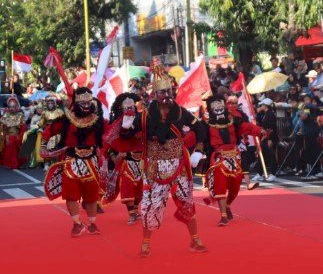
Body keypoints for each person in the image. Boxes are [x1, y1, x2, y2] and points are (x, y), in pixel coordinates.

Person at [118, 65, 207, 257]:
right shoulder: (144, 116)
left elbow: (200, 129)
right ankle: (145, 243)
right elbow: (127, 134)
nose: (166, 95)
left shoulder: (181, 113)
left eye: (168, 91)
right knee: (151, 205)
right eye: (162, 92)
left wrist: (198, 151)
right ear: (154, 94)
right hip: (154, 167)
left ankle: (195, 238)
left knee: (186, 202)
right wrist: (125, 126)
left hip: (179, 165)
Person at [41, 87, 105, 237]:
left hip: (91, 162)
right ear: (76, 103)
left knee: (92, 196)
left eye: (89, 102)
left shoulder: (98, 120)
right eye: (83, 102)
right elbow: (48, 132)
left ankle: (92, 223)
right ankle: (76, 224)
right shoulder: (66, 120)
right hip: (71, 162)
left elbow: (111, 132)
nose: (87, 105)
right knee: (71, 195)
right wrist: (44, 147)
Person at [203, 94, 265, 226]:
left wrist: (260, 130)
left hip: (234, 156)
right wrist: (197, 151)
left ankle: (228, 205)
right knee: (220, 186)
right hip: (219, 158)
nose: (218, 108)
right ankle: (223, 216)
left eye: (220, 105)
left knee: (235, 187)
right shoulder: (206, 123)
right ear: (210, 109)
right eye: (215, 106)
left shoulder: (233, 121)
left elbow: (247, 127)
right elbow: (198, 137)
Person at [106, 92, 143, 225]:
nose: (129, 109)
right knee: (127, 187)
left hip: (143, 159)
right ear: (121, 108)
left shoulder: (142, 119)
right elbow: (108, 141)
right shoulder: (117, 122)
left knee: (141, 189)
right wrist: (113, 155)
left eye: (132, 106)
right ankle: (132, 213)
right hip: (127, 160)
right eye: (126, 107)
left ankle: (136, 210)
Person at [252, 98, 278, 182]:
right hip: (265, 137)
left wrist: (270, 139)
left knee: (271, 156)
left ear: (266, 106)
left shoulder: (271, 114)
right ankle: (259, 173)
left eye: (262, 105)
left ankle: (273, 174)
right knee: (261, 155)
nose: (261, 106)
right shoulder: (265, 114)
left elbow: (272, 127)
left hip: (270, 138)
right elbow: (261, 124)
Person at [0, 96, 26, 169]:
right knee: (9, 151)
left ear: (16, 106)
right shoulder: (5, 115)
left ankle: (18, 163)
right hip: (8, 136)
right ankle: (11, 164)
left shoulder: (20, 115)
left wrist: (21, 136)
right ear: (8, 107)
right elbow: (2, 128)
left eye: (14, 107)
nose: (12, 108)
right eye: (10, 107)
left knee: (19, 150)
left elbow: (23, 127)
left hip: (18, 136)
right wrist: (4, 137)